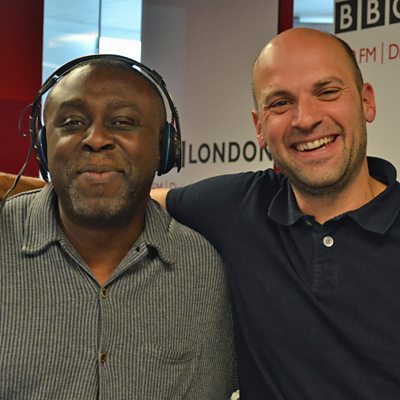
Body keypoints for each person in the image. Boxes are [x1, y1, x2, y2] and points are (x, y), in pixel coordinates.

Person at [2, 28, 399, 399]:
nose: (306, 118)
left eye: (327, 92)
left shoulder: (211, 245)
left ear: (367, 101)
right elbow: (127, 191)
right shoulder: (237, 206)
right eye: (280, 102)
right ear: (259, 127)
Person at [0, 55, 237, 399]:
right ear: (43, 145)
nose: (96, 139)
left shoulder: (208, 271)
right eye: (72, 122)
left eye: (123, 122)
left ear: (164, 148)